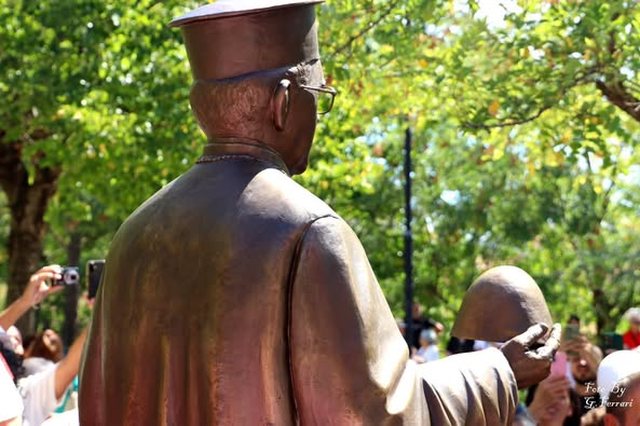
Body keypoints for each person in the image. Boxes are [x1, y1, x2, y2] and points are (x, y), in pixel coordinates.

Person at [79, 1, 560, 424]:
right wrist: (499, 370)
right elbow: (375, 416)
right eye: (319, 96)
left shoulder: (133, 237)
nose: (317, 115)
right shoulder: (308, 232)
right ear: (284, 101)